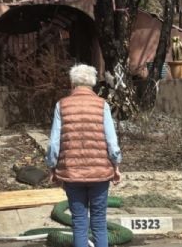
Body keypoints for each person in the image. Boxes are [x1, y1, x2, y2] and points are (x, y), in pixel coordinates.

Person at [45, 64, 122, 247]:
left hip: (72, 173)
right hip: (100, 173)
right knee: (99, 222)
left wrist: (52, 167)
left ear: (72, 83)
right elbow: (112, 142)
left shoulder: (61, 105)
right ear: (93, 84)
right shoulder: (102, 105)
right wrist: (116, 165)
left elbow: (54, 143)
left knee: (79, 222)